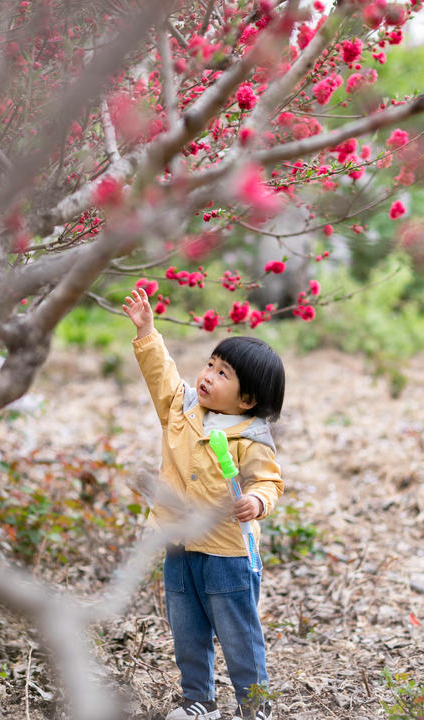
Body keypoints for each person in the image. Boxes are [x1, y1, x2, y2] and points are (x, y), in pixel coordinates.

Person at [122, 286, 285, 720]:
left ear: (247, 400)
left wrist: (255, 500)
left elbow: (268, 481)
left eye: (223, 373)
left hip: (228, 552)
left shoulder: (250, 439)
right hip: (180, 543)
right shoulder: (183, 410)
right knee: (187, 631)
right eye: (210, 364)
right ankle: (198, 700)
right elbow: (162, 376)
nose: (208, 375)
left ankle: (256, 706)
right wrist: (147, 332)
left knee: (238, 634)